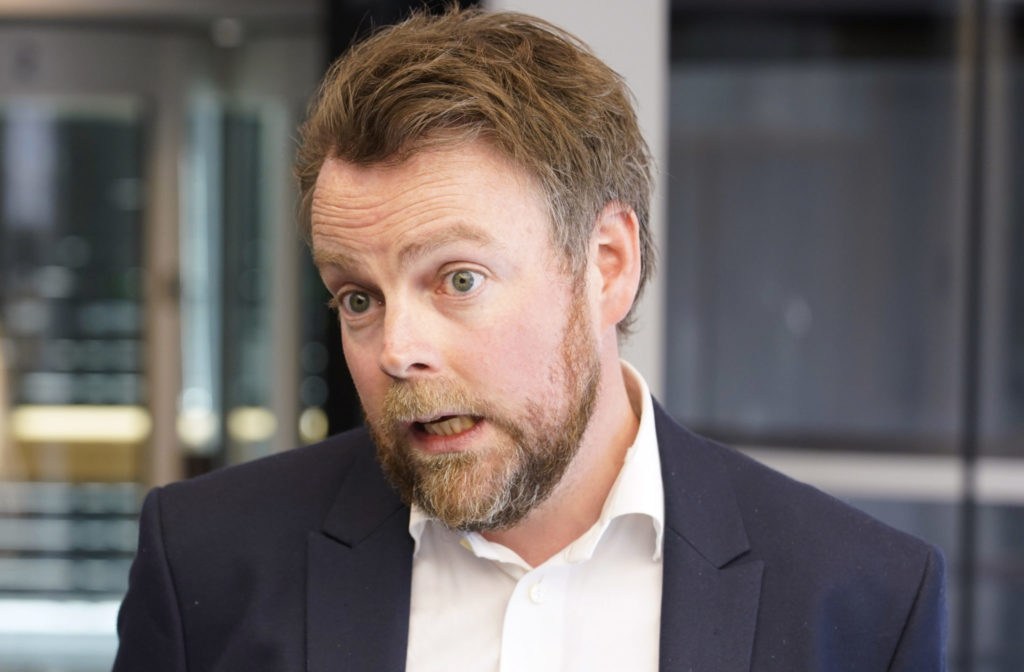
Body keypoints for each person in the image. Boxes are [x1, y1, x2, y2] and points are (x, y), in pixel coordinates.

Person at [113, 7, 946, 671]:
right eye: (358, 298)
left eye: (458, 279)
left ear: (607, 266)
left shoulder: (859, 599)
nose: (396, 350)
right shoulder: (205, 563)